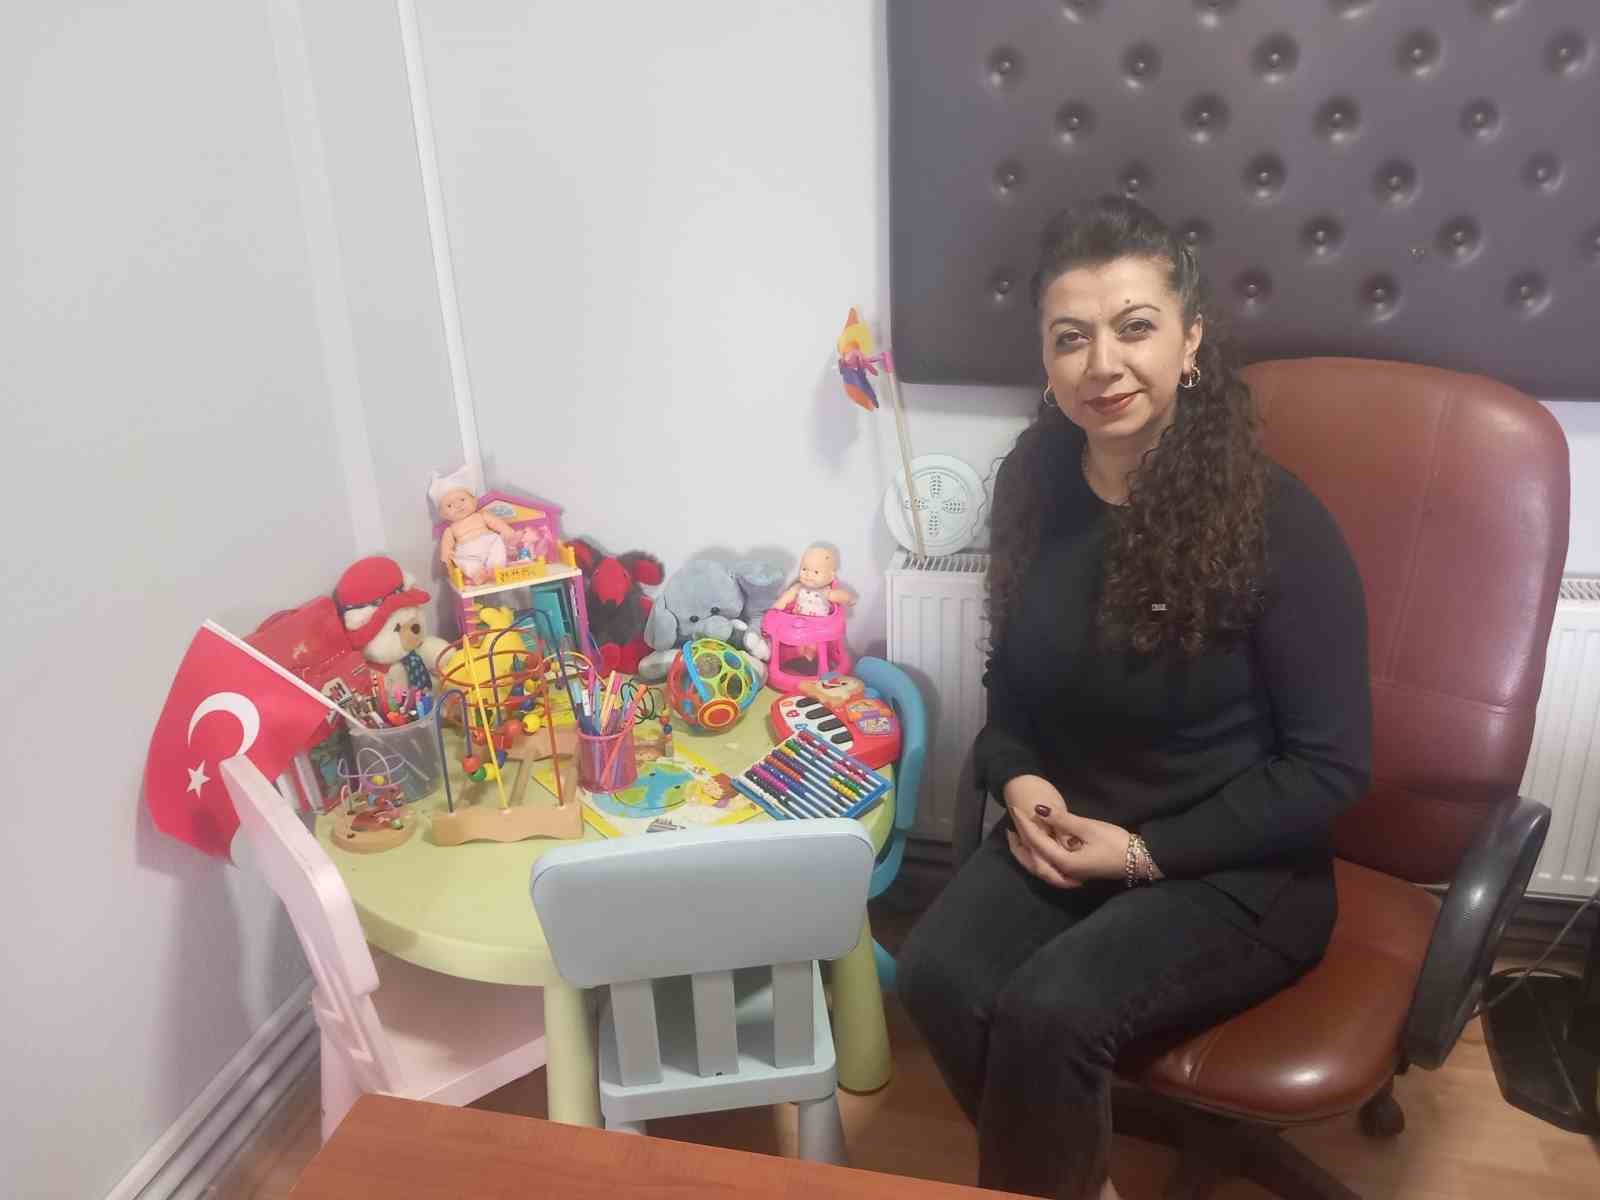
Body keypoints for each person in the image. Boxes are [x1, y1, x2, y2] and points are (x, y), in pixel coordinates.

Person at [896, 196, 1372, 1200]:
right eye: (1071, 338)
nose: (1101, 364)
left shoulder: (1277, 521)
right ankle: (1076, 1176)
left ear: (1190, 341)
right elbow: (1012, 684)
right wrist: (1017, 779)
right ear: (1045, 359)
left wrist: (1144, 853)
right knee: (934, 971)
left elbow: (1329, 770)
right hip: (1071, 835)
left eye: (1134, 327)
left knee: (1049, 1014)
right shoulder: (1034, 482)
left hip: (1235, 869)